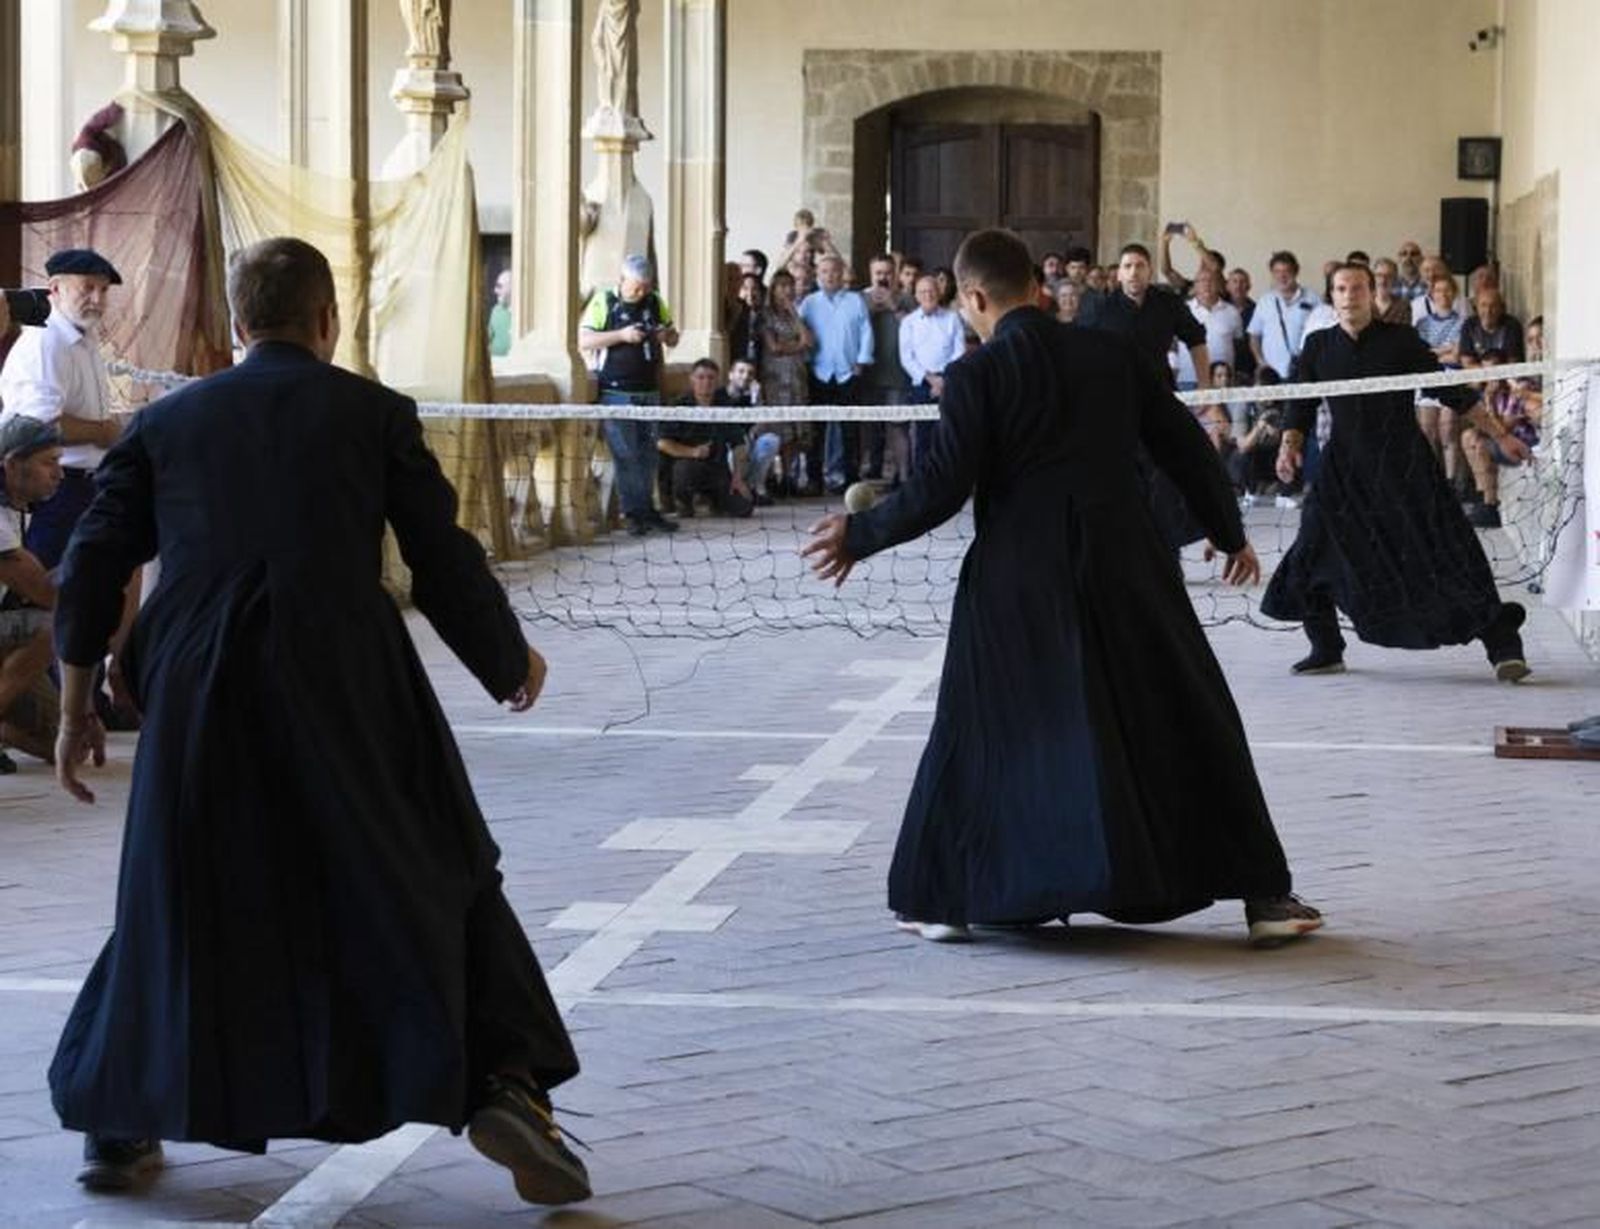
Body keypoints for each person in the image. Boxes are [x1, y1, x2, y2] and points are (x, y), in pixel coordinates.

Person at [47, 237, 589, 1204]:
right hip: (347, 672)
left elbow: (93, 557)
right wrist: (507, 661)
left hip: (197, 680)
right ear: (329, 321)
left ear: (240, 322)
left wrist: (76, 697)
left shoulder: (168, 422)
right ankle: (505, 1081)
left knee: (176, 881)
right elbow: (440, 553)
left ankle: (120, 1115)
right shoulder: (373, 414)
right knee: (441, 864)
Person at [802, 228, 1322, 947]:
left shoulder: (976, 376)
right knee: (1187, 709)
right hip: (1128, 563)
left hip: (1017, 575)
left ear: (976, 298)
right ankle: (1265, 898)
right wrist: (1228, 533)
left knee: (979, 727)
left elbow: (939, 490)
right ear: (1037, 288)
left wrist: (859, 536)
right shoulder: (1113, 356)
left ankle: (944, 901)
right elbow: (1185, 447)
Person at [1263, 264, 1531, 681]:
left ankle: (1503, 645)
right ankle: (1326, 647)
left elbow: (1451, 391)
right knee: (1311, 551)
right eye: (1340, 289)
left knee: (1448, 554)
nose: (1349, 296)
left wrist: (1500, 435)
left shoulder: (1400, 341)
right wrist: (1287, 449)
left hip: (1405, 469)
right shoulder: (1317, 347)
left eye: (1357, 288)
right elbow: (1299, 405)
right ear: (1332, 297)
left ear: (1372, 294)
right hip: (1344, 471)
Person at [0, 248, 125, 570]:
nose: (97, 299)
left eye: (104, 290)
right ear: (55, 289)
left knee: (81, 587)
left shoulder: (84, 340)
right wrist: (103, 432)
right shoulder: (47, 342)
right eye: (87, 288)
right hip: (54, 489)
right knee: (45, 591)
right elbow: (38, 425)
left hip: (84, 485)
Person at [579, 254, 680, 537]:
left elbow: (674, 336)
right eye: (636, 288)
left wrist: (666, 336)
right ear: (621, 280)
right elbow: (584, 339)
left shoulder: (655, 301)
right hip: (615, 392)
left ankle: (648, 509)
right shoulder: (604, 302)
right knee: (626, 455)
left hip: (649, 391)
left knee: (649, 454)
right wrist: (622, 336)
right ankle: (632, 512)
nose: (641, 293)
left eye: (645, 288)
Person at [0, 417, 66, 774]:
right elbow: (46, 593)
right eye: (47, 463)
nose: (58, 473)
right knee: (52, 626)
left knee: (68, 741)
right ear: (11, 464)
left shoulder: (16, 510)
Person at [798, 253, 874, 492]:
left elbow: (866, 332)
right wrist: (807, 361)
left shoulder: (855, 300)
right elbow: (801, 333)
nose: (829, 276)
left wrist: (861, 361)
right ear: (817, 275)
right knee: (816, 431)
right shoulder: (809, 303)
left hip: (848, 373)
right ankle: (814, 479)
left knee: (850, 430)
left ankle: (850, 478)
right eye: (824, 272)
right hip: (819, 373)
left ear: (842, 275)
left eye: (834, 271)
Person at [659, 358, 755, 518]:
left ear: (717, 380)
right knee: (683, 470)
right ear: (692, 379)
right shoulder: (679, 406)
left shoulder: (725, 406)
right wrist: (692, 452)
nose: (706, 382)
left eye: (711, 378)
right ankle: (683, 502)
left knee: (744, 508)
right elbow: (662, 443)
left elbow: (739, 445)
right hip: (686, 466)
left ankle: (713, 501)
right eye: (701, 377)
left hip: (717, 470)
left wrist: (738, 477)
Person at [899, 273, 967, 475]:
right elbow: (906, 357)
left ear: (939, 293)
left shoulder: (952, 318)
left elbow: (959, 351)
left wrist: (943, 380)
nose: (928, 295)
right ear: (916, 296)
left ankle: (948, 476)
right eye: (923, 292)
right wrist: (930, 379)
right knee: (922, 433)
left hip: (949, 382)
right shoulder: (908, 322)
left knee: (948, 431)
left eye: (931, 291)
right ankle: (922, 477)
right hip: (921, 384)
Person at [1246, 250, 1320, 381]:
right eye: (1277, 272)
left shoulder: (1313, 299)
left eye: (1286, 271)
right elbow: (1254, 336)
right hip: (1272, 375)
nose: (1282, 276)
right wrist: (1261, 363)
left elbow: (1322, 335)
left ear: (1296, 272)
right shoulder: (1265, 300)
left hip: (1304, 373)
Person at [487, 269, 513, 358]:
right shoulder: (496, 310)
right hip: (495, 364)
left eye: (499, 286)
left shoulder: (524, 315)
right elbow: (487, 339)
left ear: (511, 287)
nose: (495, 290)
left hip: (516, 366)